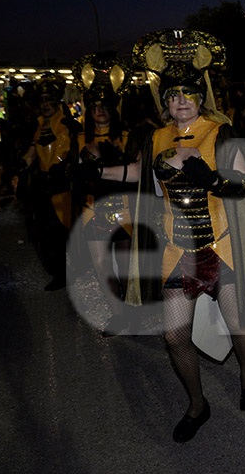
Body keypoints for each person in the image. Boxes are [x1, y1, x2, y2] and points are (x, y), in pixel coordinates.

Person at [93, 29, 245, 443]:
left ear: (201, 97)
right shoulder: (155, 138)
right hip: (178, 249)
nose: (181, 100)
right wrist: (96, 173)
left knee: (238, 323)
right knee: (174, 335)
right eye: (173, 93)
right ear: (165, 102)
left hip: (222, 244)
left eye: (188, 92)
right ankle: (197, 404)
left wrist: (214, 179)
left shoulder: (221, 132)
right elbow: (140, 175)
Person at [71, 52, 141, 336]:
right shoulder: (77, 139)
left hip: (123, 207)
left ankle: (132, 312)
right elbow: (73, 179)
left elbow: (135, 174)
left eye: (105, 104)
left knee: (125, 268)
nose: (99, 109)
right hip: (93, 209)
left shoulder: (127, 136)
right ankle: (118, 314)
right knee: (101, 267)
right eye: (94, 105)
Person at [18, 73, 80, 291]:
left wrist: (62, 167)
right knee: (47, 231)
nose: (45, 105)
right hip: (44, 184)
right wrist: (22, 163)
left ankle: (71, 272)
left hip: (62, 185)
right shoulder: (40, 124)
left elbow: (73, 150)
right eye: (41, 100)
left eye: (49, 100)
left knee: (64, 230)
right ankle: (60, 272)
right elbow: (34, 150)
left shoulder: (66, 123)